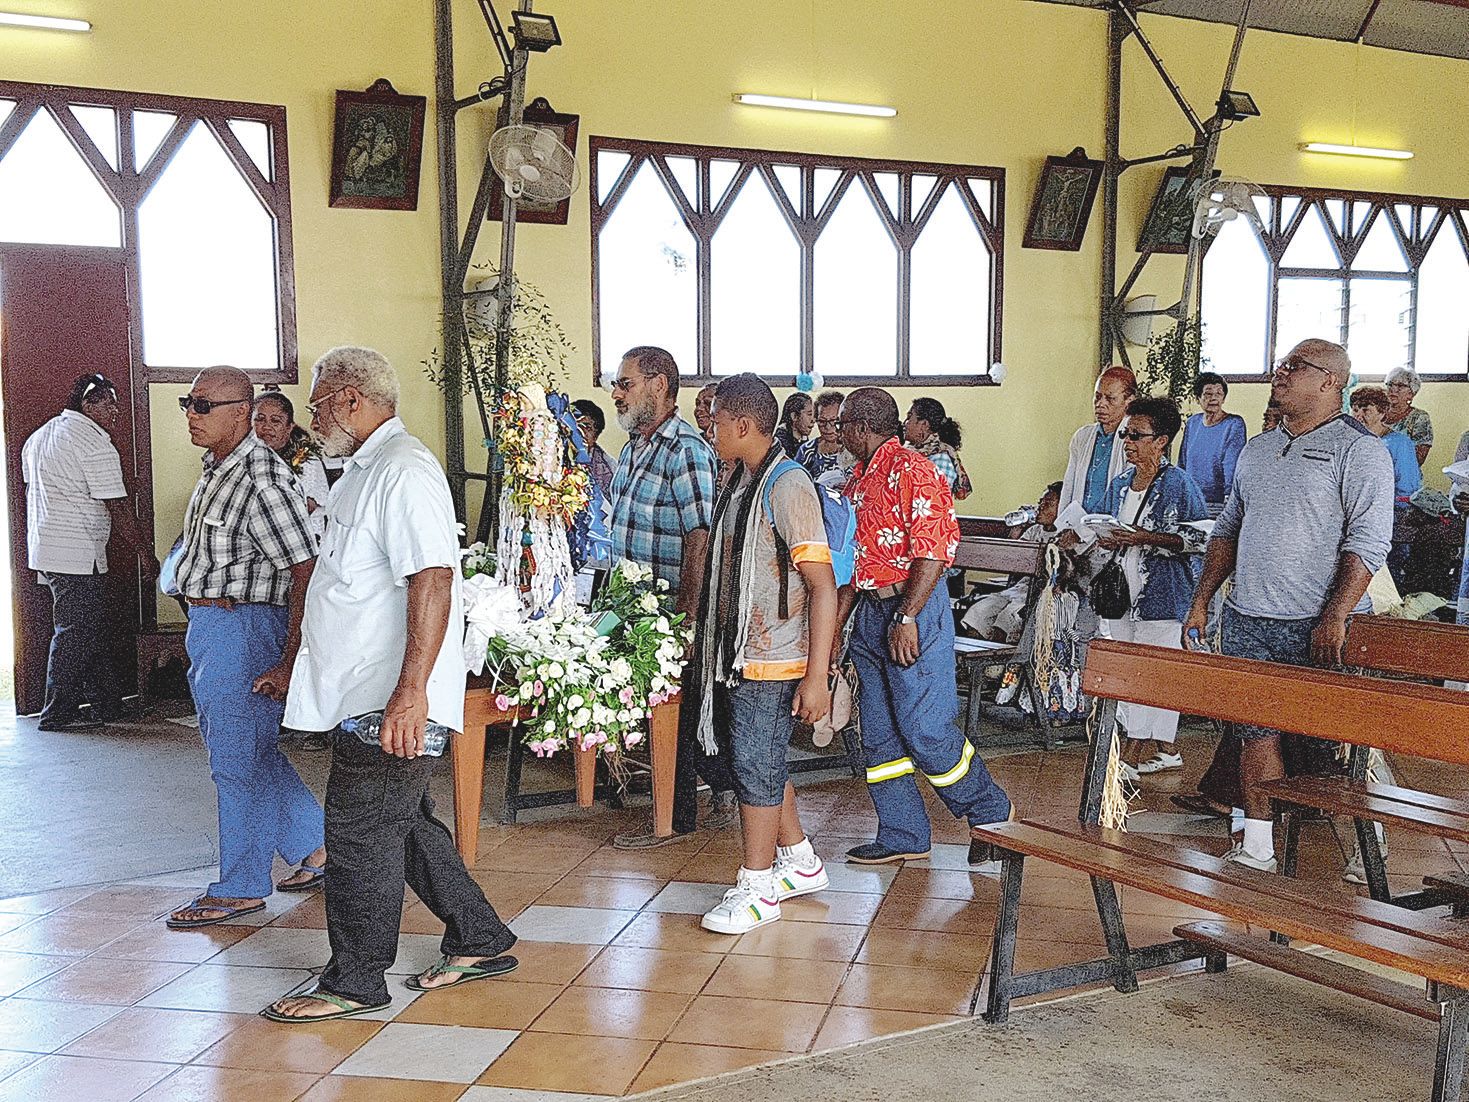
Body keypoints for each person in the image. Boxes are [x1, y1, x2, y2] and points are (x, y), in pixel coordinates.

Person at [261, 346, 519, 1023]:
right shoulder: (364, 471)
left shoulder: (402, 471)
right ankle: (481, 938)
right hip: (364, 690)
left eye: (317, 402)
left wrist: (410, 693)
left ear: (350, 398)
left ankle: (354, 978)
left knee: (356, 831)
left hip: (390, 696)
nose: (312, 416)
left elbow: (431, 577)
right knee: (398, 823)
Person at [1183, 339, 1393, 872]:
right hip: (1250, 615)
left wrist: (1337, 613)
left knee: (1342, 736)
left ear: (1330, 381)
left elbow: (1368, 543)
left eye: (1295, 367)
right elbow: (1228, 530)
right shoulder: (1258, 449)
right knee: (1255, 730)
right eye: (1281, 365)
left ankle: (1373, 838)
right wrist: (1203, 600)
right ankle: (1257, 844)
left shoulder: (1358, 450)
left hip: (1319, 621)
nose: (1281, 373)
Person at [166, 366, 326, 928]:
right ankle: (317, 844)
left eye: (203, 405)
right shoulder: (219, 469)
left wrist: (288, 659)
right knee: (245, 752)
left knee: (236, 764)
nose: (192, 413)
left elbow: (306, 569)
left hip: (246, 629)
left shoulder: (260, 478)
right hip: (214, 627)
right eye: (189, 402)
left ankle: (241, 883)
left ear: (242, 411)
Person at [834, 388, 1012, 866]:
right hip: (871, 614)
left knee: (925, 729)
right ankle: (903, 832)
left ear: (863, 427)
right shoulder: (857, 480)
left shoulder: (915, 471)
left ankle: (991, 813)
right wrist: (833, 637)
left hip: (914, 611)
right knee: (879, 733)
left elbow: (934, 551)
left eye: (843, 422)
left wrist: (907, 616)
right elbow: (853, 565)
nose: (837, 431)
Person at [694, 373, 835, 934]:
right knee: (757, 759)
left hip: (773, 658)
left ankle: (756, 889)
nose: (711, 429)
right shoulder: (741, 480)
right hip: (738, 653)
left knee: (756, 764)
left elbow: (822, 585)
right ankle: (798, 861)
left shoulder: (787, 485)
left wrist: (817, 676)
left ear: (745, 425)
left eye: (717, 420)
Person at [607, 346, 738, 846]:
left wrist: (685, 616)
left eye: (625, 383)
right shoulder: (636, 446)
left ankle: (679, 818)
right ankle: (686, 799)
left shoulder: (684, 448)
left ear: (658, 385)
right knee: (661, 713)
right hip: (633, 603)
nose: (617, 394)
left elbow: (699, 537)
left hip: (668, 608)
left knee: (679, 716)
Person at [21, 374, 158, 731]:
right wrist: (144, 552)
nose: (114, 410)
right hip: (76, 552)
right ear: (87, 405)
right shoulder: (93, 443)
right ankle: (56, 713)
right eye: (107, 403)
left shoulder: (40, 436)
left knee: (86, 628)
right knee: (73, 632)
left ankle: (108, 704)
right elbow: (118, 505)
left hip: (48, 550)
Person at [1094, 397, 1208, 778]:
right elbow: (1108, 522)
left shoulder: (1179, 484)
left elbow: (1200, 538)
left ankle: (1132, 752)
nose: (1127, 442)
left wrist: (1149, 538)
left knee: (1155, 674)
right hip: (1122, 592)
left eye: (1136, 435)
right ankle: (1165, 749)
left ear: (1161, 440)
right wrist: (1105, 535)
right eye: (1126, 434)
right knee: (1130, 669)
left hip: (1164, 592)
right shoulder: (1121, 483)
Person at [960, 482, 1060, 643]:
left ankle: (1002, 663)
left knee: (1007, 618)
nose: (1041, 507)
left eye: (1048, 504)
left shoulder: (1063, 534)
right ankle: (974, 659)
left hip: (1041, 590)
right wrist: (1017, 530)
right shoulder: (1034, 531)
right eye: (1040, 502)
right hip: (1020, 588)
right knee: (978, 612)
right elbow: (1014, 558)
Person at [1349, 384, 1423, 590]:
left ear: (1382, 412)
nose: (1359, 415)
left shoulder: (1399, 443)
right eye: (1355, 409)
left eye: (1366, 410)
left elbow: (1408, 487)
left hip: (1392, 517)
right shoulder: (1352, 442)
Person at [253, 389, 330, 542]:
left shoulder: (307, 460)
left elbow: (304, 508)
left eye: (276, 421)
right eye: (259, 419)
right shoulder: (249, 458)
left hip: (300, 539)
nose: (266, 427)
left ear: (289, 427)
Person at [1060, 366, 1137, 514]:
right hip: (1077, 528)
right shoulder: (1082, 436)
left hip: (1112, 528)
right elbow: (1068, 488)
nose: (1101, 404)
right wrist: (1063, 526)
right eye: (1097, 396)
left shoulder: (1134, 439)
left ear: (1129, 401)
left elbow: (1129, 495)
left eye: (1110, 398)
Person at [1177, 372, 1247, 518]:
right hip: (1190, 500)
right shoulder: (1192, 423)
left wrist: (1230, 500)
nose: (1214, 398)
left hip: (1219, 502)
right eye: (1208, 394)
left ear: (1224, 398)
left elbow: (1232, 464)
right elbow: (1182, 462)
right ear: (1198, 398)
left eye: (1219, 393)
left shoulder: (1234, 424)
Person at [904, 397, 972, 501]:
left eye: (909, 417)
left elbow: (932, 503)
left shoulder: (940, 461)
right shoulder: (909, 452)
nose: (905, 423)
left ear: (924, 425)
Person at [795, 390, 855, 482]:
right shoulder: (807, 451)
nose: (827, 427)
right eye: (822, 421)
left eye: (833, 421)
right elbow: (797, 481)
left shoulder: (856, 448)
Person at [1383, 366, 1433, 467]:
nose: (1393, 389)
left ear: (1411, 394)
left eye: (1400, 386)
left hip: (1404, 474)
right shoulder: (1377, 413)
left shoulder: (1420, 417)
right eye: (1390, 384)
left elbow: (1418, 459)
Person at [572, 398, 615, 499]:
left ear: (595, 436)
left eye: (587, 427)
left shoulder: (610, 469)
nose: (580, 431)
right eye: (576, 425)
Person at [774, 392, 814, 459]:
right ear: (794, 416)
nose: (813, 420)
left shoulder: (802, 439)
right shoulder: (781, 443)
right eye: (809, 414)